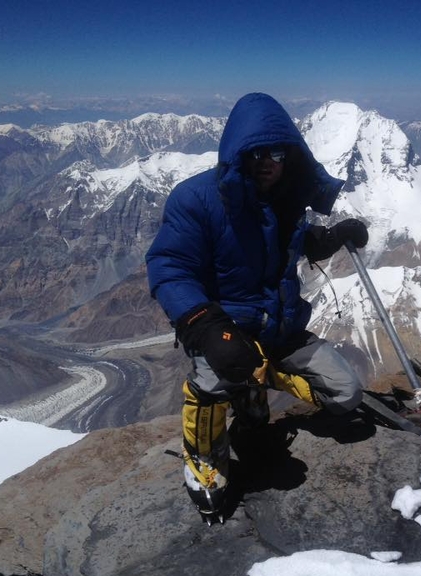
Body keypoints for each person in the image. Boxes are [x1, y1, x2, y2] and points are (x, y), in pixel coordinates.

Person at [145, 92, 369, 522]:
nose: (268, 161)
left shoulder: (287, 198)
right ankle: (203, 456)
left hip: (280, 329)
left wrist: (333, 235)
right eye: (257, 152)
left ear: (290, 156)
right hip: (224, 328)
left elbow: (289, 243)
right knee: (215, 380)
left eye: (278, 152)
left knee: (346, 394)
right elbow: (169, 266)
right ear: (238, 152)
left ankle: (255, 390)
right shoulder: (197, 199)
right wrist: (204, 325)